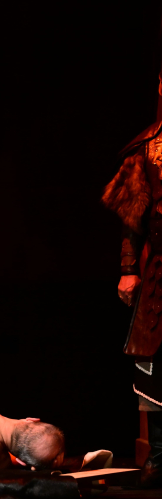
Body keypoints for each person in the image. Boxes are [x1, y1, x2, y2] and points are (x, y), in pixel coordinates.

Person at [102, 72, 162, 488]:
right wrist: (128, 269)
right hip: (159, 273)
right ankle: (159, 459)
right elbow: (131, 219)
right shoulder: (147, 148)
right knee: (155, 363)